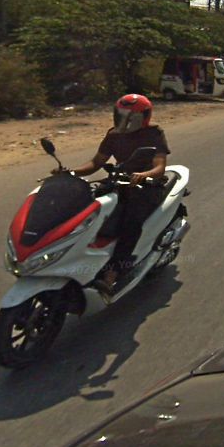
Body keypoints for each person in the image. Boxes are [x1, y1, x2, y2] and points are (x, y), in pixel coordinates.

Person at [65, 94, 170, 300]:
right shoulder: (114, 135)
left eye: (131, 117)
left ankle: (113, 273)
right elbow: (96, 163)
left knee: (129, 222)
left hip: (146, 187)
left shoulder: (154, 133)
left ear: (144, 117)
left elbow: (159, 166)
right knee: (86, 211)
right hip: (118, 183)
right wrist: (70, 172)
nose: (125, 120)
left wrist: (144, 175)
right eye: (121, 115)